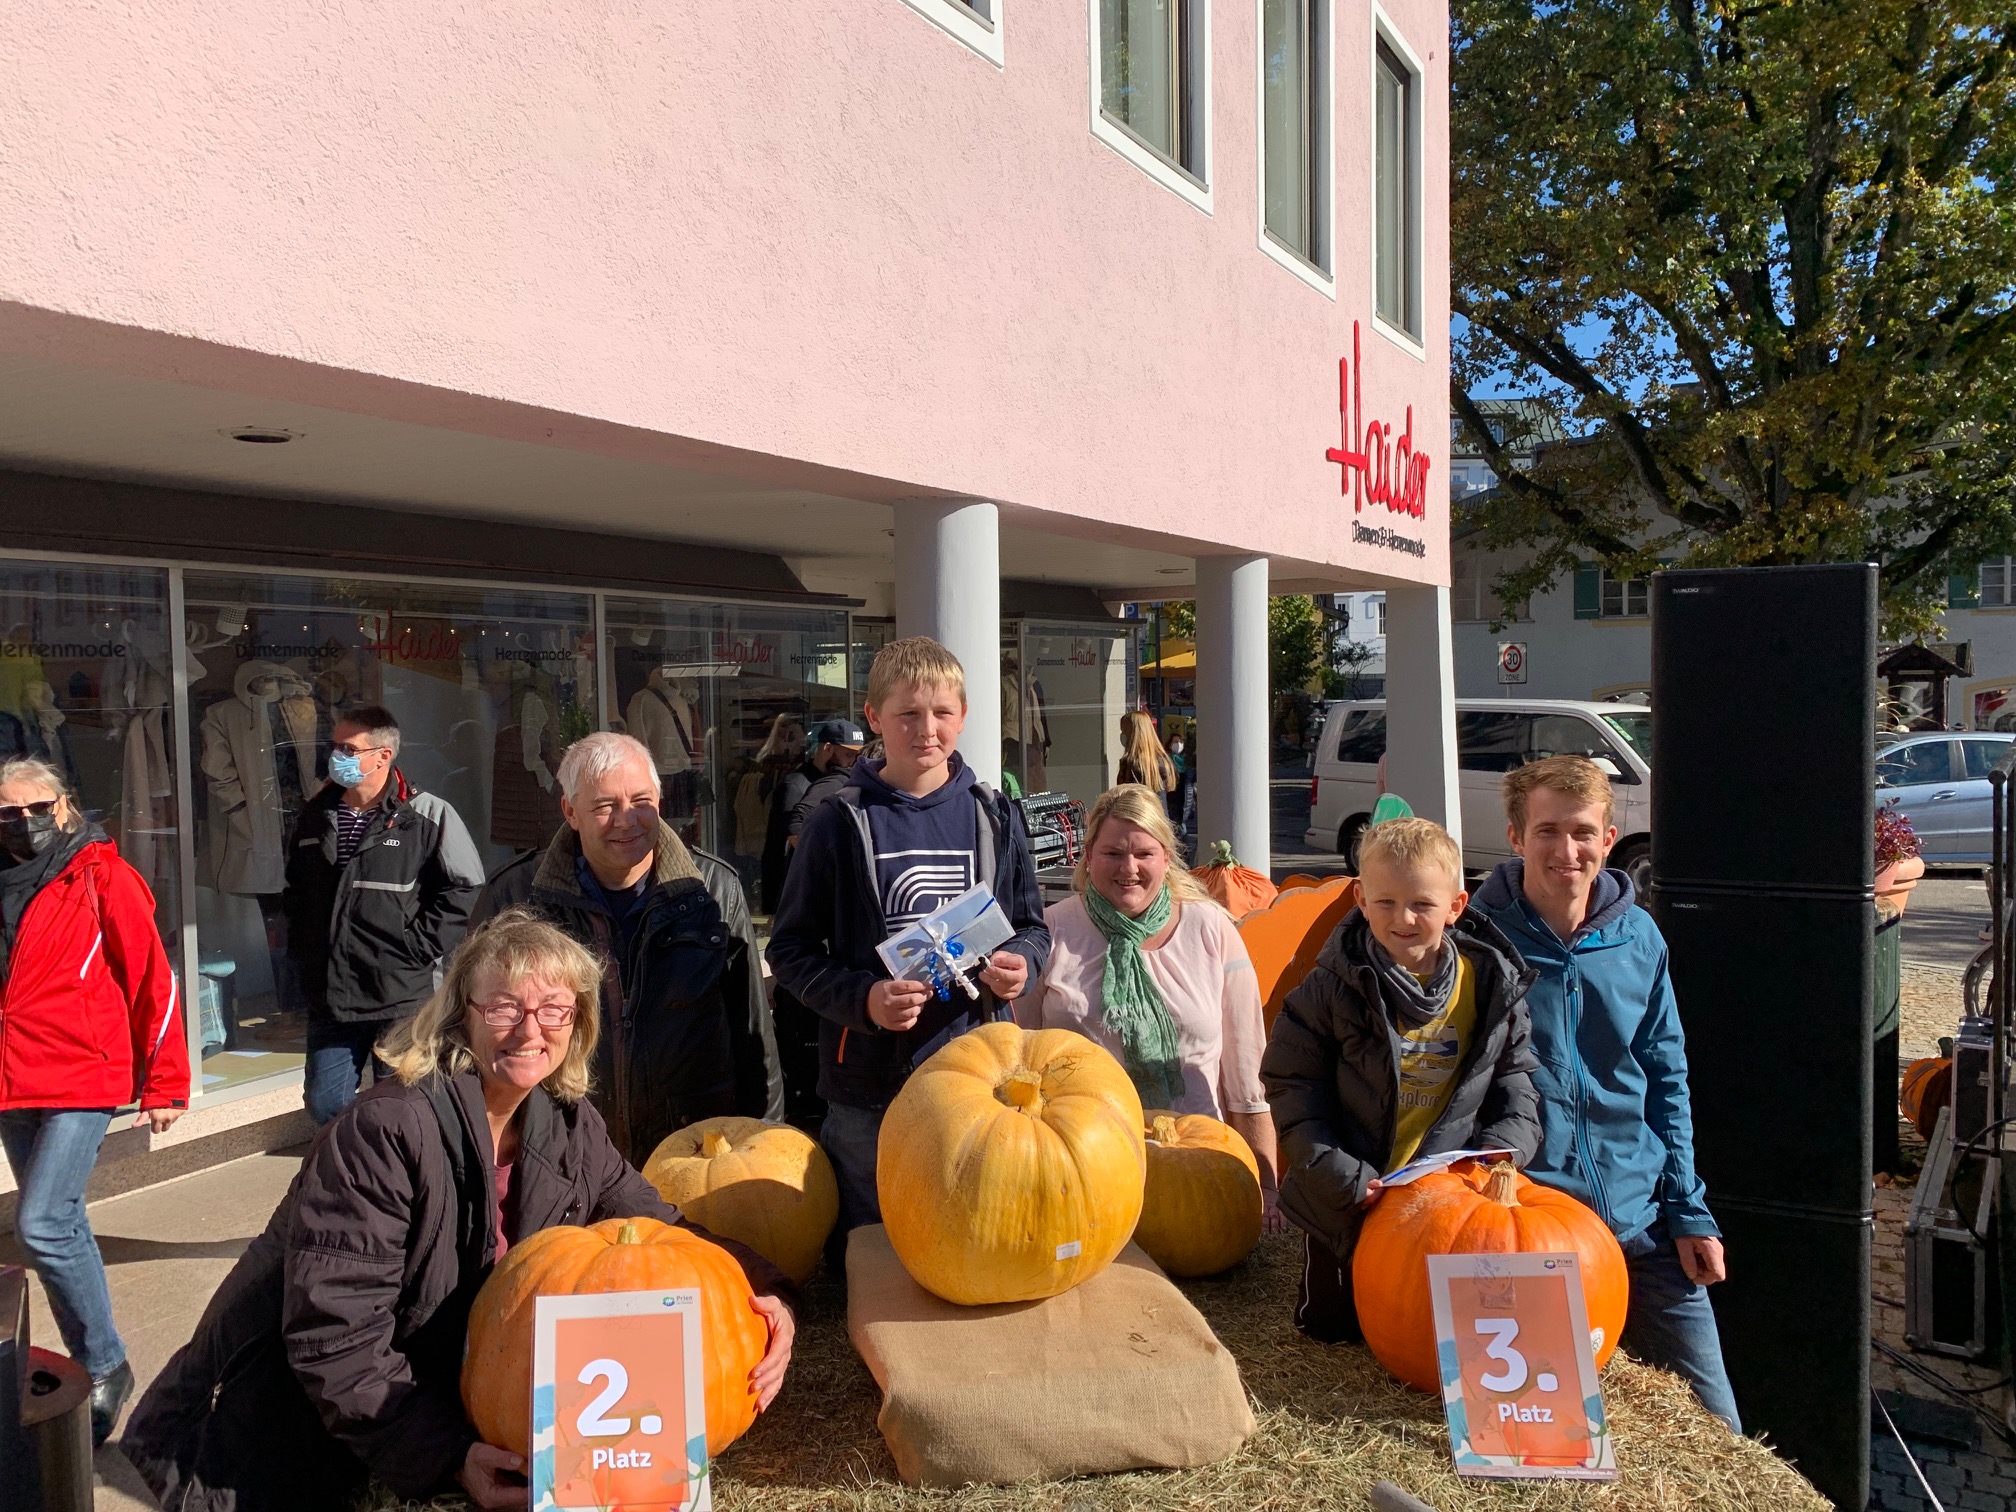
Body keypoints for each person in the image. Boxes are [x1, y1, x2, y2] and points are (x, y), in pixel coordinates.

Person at [122, 911, 794, 1512]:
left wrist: (764, 1290)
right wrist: (447, 1457)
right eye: (505, 1007)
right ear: (461, 1015)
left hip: (403, 1412)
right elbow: (336, 1333)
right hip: (265, 1438)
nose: (530, 1029)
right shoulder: (386, 1130)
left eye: (554, 1009)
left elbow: (658, 1229)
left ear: (578, 1023)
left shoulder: (566, 1123)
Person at [1472, 755, 1741, 1429]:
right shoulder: (1477, 940)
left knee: (1720, 1428)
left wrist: (1688, 1209)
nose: (1567, 851)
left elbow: (1665, 1075)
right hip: (1535, 1225)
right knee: (1544, 1437)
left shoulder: (1638, 936)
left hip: (1640, 1219)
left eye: (1583, 832)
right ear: (1516, 836)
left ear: (1609, 839)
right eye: (1548, 831)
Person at [768, 637, 1050, 1237]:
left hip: (980, 1073)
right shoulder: (837, 821)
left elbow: (1031, 927)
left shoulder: (995, 815)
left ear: (963, 716)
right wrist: (864, 1000)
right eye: (908, 714)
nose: (927, 729)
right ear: (874, 717)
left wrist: (1020, 965)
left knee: (975, 1231)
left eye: (942, 712)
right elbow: (789, 951)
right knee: (875, 1241)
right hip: (868, 1083)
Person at [1262, 817, 1540, 1344]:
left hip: (1444, 1198)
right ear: (1361, 900)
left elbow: (1516, 1079)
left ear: (1456, 906)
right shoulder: (1328, 988)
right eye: (1385, 902)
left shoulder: (1490, 987)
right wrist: (1339, 1174)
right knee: (1334, 1330)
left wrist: (1504, 1147)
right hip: (1350, 1195)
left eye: (1422, 904)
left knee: (1427, 1333)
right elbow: (1292, 1086)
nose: (1403, 918)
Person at [473, 732, 781, 1164]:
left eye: (641, 801)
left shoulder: (712, 889)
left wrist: (765, 1142)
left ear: (659, 801)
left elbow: (753, 1034)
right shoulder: (517, 896)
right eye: (605, 806)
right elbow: (471, 1034)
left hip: (693, 1149)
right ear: (570, 812)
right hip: (559, 1148)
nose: (626, 820)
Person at [0, 756, 187, 1444]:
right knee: (63, 1221)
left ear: (64, 806)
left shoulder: (101, 874)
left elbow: (153, 977)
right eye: (8, 813)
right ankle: (93, 1358)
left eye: (36, 808)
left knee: (42, 1223)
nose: (23, 822)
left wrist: (167, 1080)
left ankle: (106, 1362)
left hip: (85, 1070)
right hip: (14, 1076)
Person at [1021, 783, 1284, 1233]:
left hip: (1199, 1166)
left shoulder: (1212, 928)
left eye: (1144, 853)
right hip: (1083, 1168)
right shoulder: (1049, 932)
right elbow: (1023, 1061)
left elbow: (1246, 1078)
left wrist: (1267, 1186)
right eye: (1113, 853)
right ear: (1088, 856)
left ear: (1166, 857)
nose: (1129, 868)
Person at [284, 706, 485, 1126]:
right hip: (333, 994)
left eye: (348, 749)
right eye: (334, 746)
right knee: (325, 1105)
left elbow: (465, 886)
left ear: (383, 756)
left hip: (400, 993)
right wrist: (304, 950)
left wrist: (417, 946)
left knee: (404, 1107)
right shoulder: (315, 815)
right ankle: (357, 1166)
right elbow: (297, 891)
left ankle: (397, 1167)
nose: (335, 756)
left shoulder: (426, 815)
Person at [786, 718, 867, 846]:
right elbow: (791, 834)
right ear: (828, 748)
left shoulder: (844, 780)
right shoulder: (795, 785)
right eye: (848, 755)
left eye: (856, 756)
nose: (852, 762)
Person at [755, 714, 806, 914]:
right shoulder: (767, 761)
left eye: (792, 735)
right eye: (782, 733)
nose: (787, 740)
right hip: (768, 826)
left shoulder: (801, 766)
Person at [1115, 709, 1176, 795]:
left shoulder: (1130, 762)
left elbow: (1124, 795)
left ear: (1131, 734)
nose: (1122, 735)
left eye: (1123, 731)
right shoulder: (1164, 760)